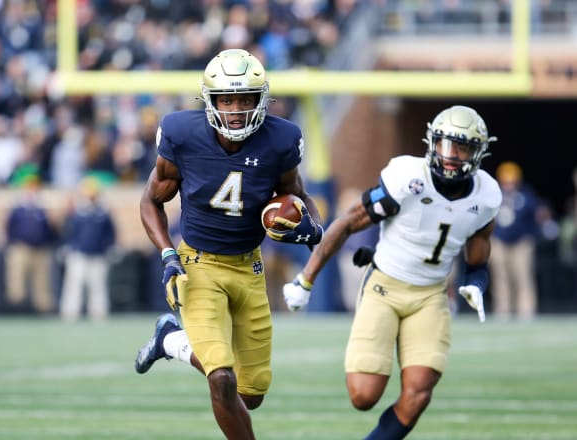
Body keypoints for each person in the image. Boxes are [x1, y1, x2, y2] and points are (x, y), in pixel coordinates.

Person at [133, 48, 323, 440]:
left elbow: (299, 197)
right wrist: (168, 254)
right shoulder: (181, 134)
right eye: (226, 99)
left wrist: (311, 229)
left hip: (250, 267)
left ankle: (171, 341)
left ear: (261, 100)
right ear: (210, 101)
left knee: (250, 394)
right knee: (221, 379)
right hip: (197, 264)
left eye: (245, 99)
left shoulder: (281, 139)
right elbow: (151, 199)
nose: (236, 109)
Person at [282, 105, 501, 439]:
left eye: (462, 148)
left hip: (431, 295)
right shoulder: (408, 179)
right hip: (385, 286)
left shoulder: (486, 196)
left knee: (418, 393)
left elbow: (479, 246)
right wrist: (306, 278)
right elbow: (347, 222)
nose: (451, 156)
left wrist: (476, 281)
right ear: (431, 142)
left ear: (478, 154)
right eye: (444, 145)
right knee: (363, 395)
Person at [59, 176, 117, 322]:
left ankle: (99, 313)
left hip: (98, 254)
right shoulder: (77, 212)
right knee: (74, 286)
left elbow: (110, 233)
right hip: (78, 254)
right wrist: (69, 247)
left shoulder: (103, 213)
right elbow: (68, 231)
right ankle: (70, 314)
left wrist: (109, 248)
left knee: (98, 286)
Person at [489, 161, 540, 320]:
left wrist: (530, 236)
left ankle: (526, 312)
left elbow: (536, 216)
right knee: (500, 278)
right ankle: (502, 311)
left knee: (523, 277)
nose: (509, 185)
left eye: (512, 182)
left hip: (521, 243)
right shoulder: (493, 195)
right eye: (506, 182)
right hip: (499, 241)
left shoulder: (526, 195)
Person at [4, 174, 58, 314]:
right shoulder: (18, 208)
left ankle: (44, 309)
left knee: (42, 282)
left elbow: (51, 230)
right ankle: (15, 308)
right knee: (16, 280)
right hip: (21, 247)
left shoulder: (43, 208)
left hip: (41, 249)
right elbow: (10, 227)